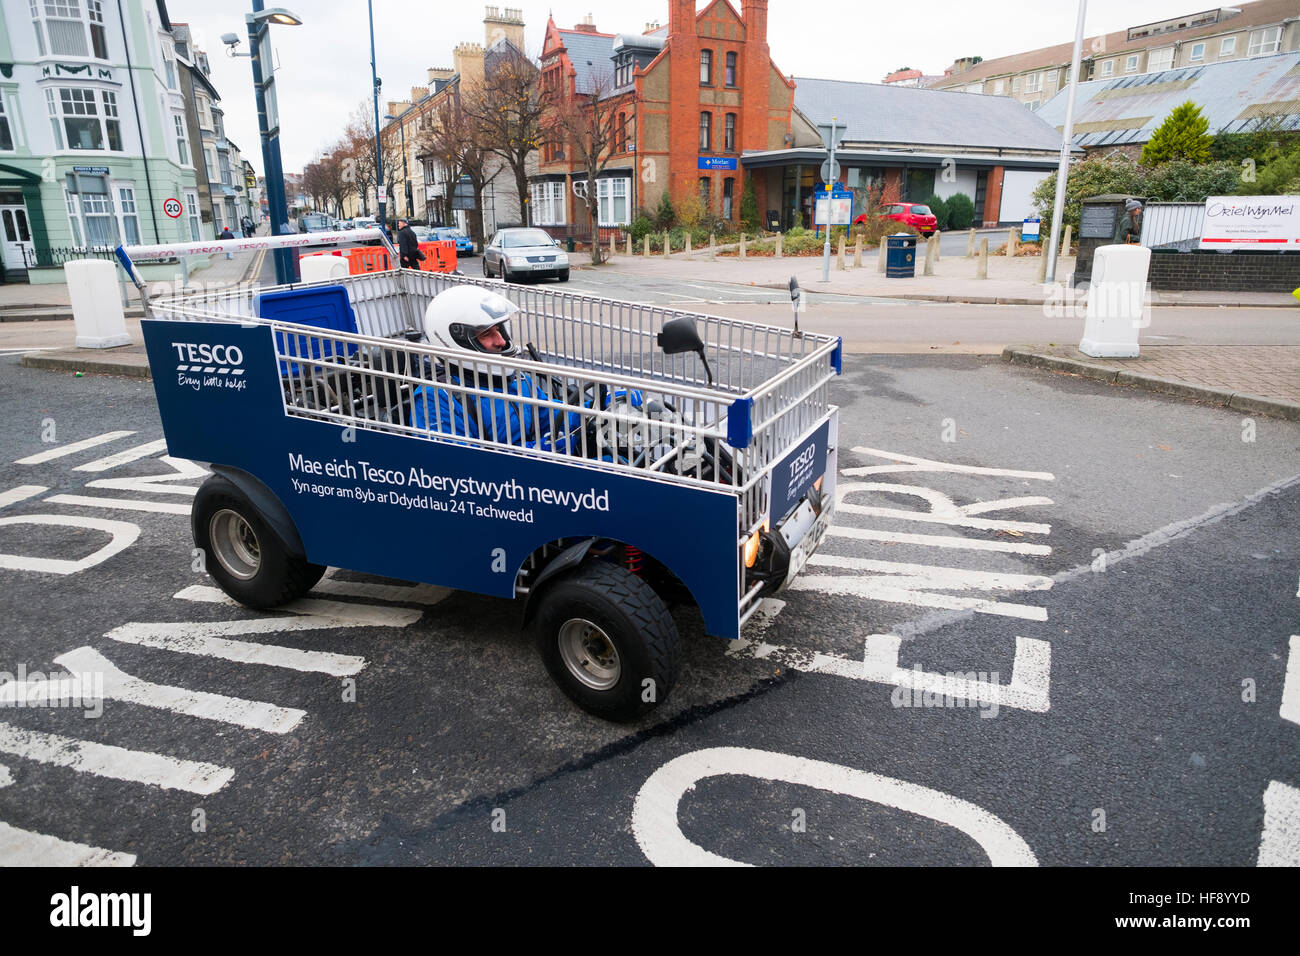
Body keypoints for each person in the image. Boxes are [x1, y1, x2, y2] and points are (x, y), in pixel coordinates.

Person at [410, 286, 555, 446]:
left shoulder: (519, 381)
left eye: (499, 330)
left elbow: (553, 416)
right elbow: (462, 462)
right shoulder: (437, 399)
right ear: (458, 340)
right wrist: (544, 450)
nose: (501, 341)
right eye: (486, 334)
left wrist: (585, 413)